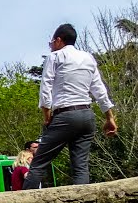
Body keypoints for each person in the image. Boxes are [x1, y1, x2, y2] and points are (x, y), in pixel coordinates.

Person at [24, 23, 118, 189]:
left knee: (38, 164)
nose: (51, 46)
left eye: (51, 42)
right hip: (87, 116)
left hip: (65, 115)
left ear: (59, 40)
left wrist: (47, 117)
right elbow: (99, 90)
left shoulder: (55, 57)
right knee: (81, 166)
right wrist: (109, 117)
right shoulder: (88, 58)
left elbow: (45, 87)